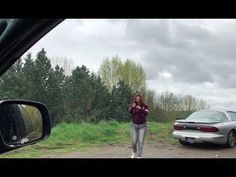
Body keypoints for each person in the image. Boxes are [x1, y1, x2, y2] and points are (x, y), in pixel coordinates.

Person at [128, 94, 149, 158]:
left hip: (142, 126)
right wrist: (132, 107)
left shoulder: (145, 106)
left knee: (141, 141)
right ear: (135, 99)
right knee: (134, 141)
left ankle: (139, 155)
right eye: (136, 99)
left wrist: (140, 109)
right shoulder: (132, 105)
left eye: (139, 99)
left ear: (141, 99)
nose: (138, 100)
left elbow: (147, 113)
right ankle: (134, 152)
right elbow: (129, 112)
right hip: (134, 126)